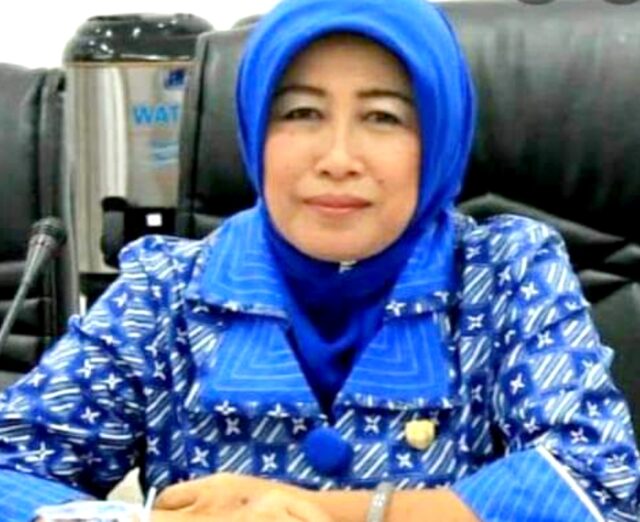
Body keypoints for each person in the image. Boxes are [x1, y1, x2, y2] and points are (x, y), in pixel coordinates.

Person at [0, 0, 638, 520]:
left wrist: (317, 513)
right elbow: (12, 473)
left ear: (440, 138)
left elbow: (594, 488)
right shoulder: (163, 290)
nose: (337, 158)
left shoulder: (504, 272)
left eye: (383, 117)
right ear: (255, 129)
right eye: (301, 113)